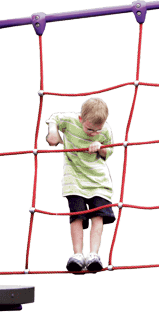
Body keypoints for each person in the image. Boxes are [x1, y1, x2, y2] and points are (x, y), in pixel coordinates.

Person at [45, 97, 116, 273]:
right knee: (77, 215)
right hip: (74, 179)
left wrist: (100, 146)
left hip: (98, 181)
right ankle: (77, 254)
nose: (93, 133)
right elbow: (53, 117)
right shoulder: (70, 120)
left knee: (97, 215)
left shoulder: (105, 130)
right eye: (89, 129)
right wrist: (53, 132)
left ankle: (93, 254)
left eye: (97, 130)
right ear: (80, 119)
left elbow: (110, 149)